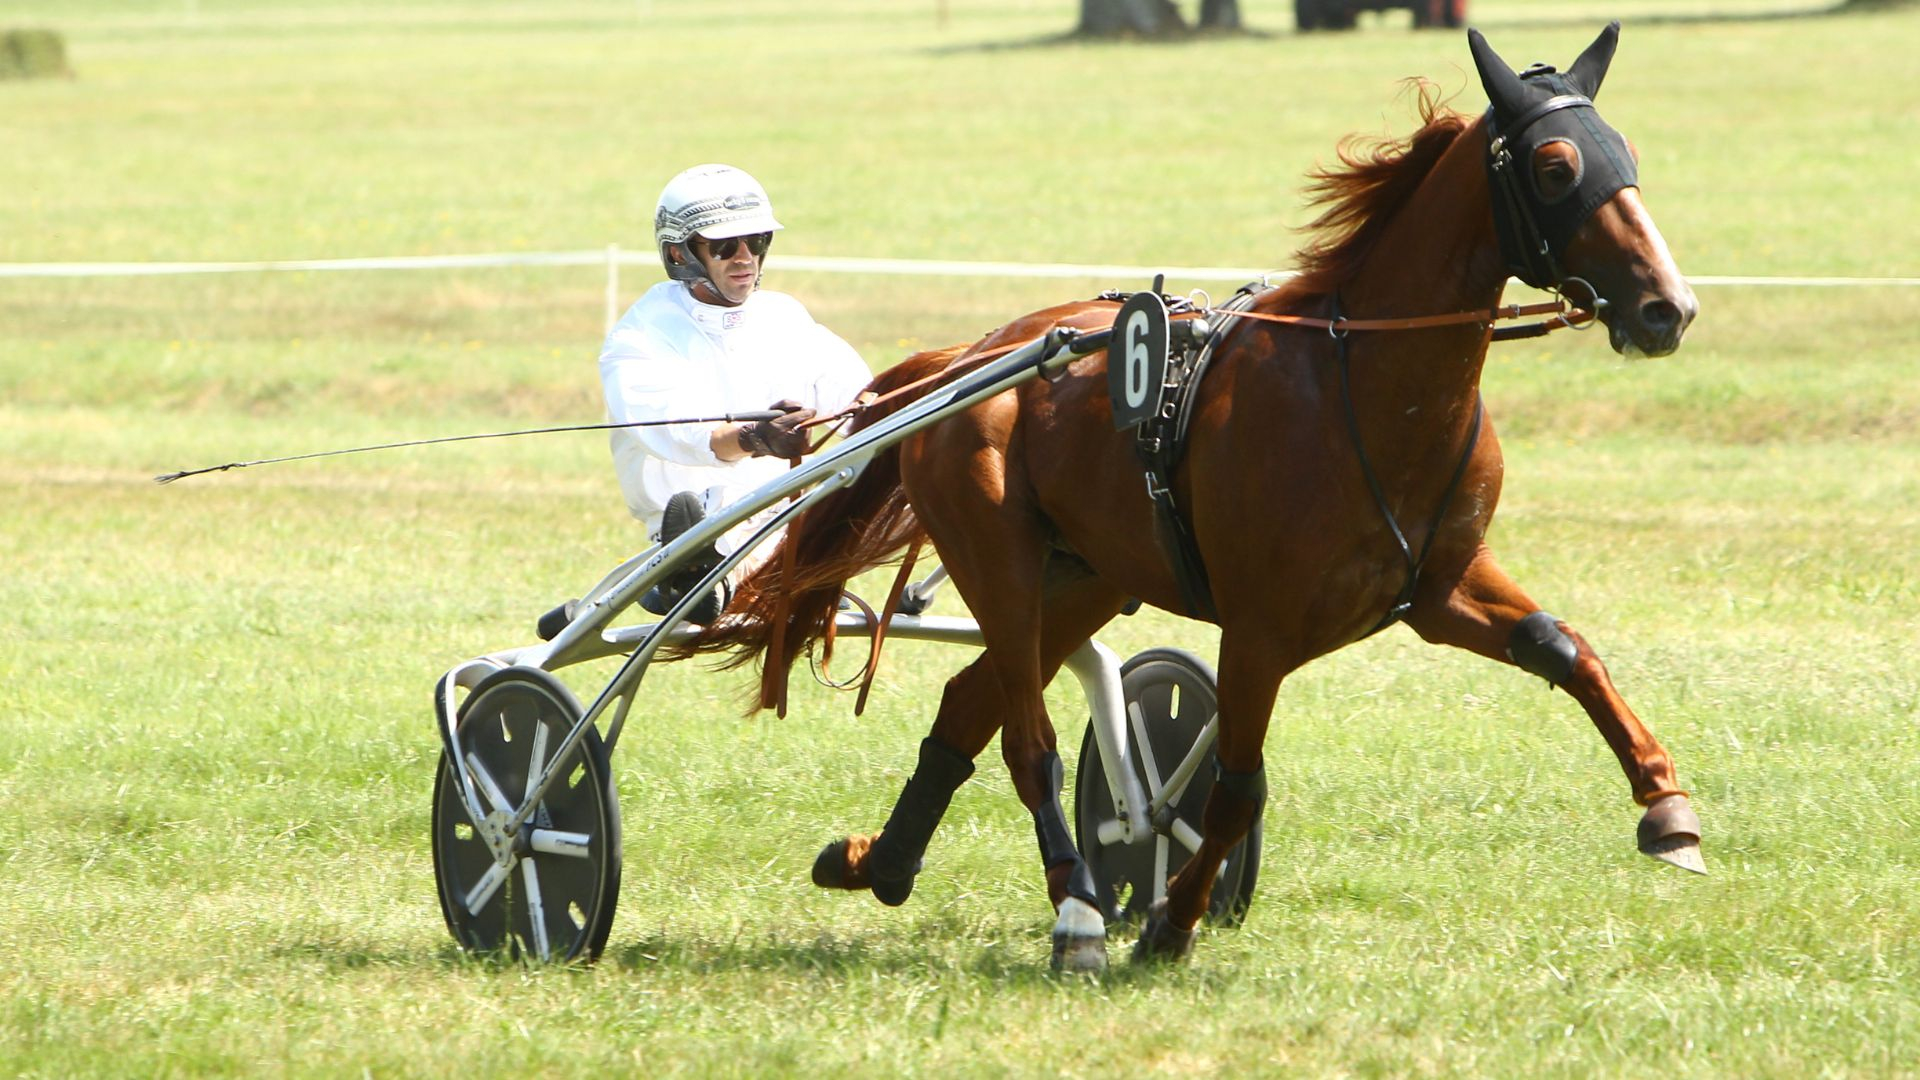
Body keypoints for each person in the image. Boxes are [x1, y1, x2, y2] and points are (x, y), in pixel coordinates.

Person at [599, 163, 872, 620]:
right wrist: (756, 438)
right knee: (711, 520)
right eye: (725, 246)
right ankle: (696, 574)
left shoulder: (784, 316)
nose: (746, 258)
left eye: (757, 241)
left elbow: (858, 396)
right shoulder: (639, 337)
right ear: (680, 253)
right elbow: (682, 434)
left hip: (793, 516)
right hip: (702, 521)